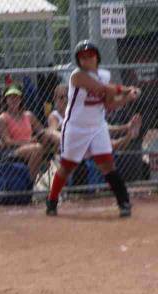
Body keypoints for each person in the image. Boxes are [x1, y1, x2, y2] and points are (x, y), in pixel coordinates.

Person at [46, 40, 140, 217]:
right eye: (82, 57)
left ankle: (124, 201)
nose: (86, 59)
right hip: (75, 127)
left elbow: (109, 104)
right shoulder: (77, 76)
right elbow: (101, 88)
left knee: (107, 164)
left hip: (97, 126)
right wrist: (127, 89)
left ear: (97, 57)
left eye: (90, 55)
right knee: (67, 166)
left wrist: (128, 97)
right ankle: (52, 200)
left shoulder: (104, 75)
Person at [0, 85, 55, 181]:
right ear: (6, 100)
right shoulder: (2, 118)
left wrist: (50, 133)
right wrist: (28, 142)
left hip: (31, 148)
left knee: (47, 143)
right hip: (11, 151)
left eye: (16, 97)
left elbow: (42, 131)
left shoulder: (28, 115)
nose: (14, 100)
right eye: (10, 97)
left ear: (21, 99)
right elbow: (7, 142)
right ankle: (28, 184)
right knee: (37, 149)